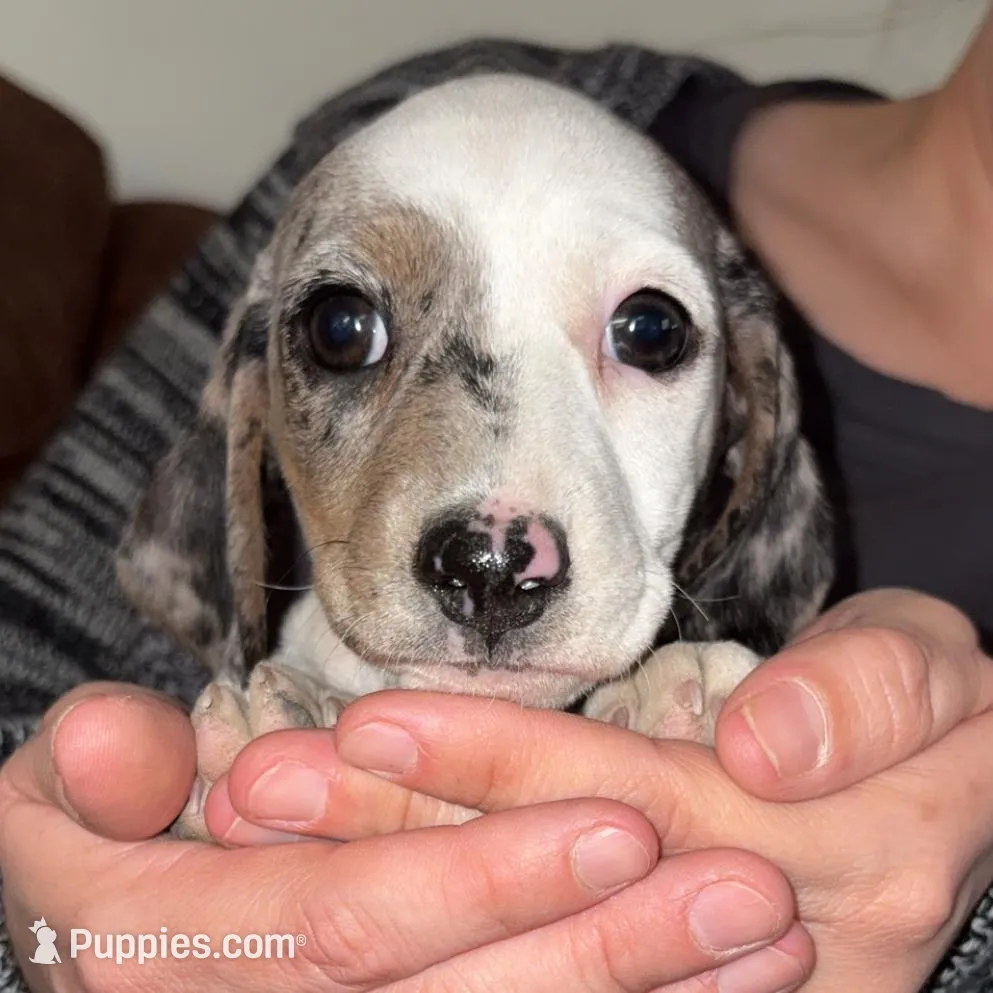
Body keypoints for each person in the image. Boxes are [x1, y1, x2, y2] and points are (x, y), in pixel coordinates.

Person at [1, 9, 992, 993]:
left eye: (647, 335)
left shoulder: (705, 656)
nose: (497, 550)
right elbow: (31, 697)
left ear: (748, 422)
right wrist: (47, 946)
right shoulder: (410, 119)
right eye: (348, 333)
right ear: (248, 409)